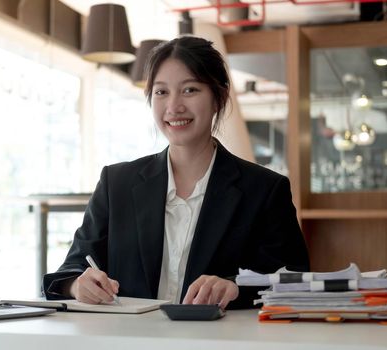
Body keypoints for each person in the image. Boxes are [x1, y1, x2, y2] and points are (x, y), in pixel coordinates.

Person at [42, 36, 309, 310]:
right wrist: (76, 285)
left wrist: (234, 287)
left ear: (219, 97)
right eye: (161, 92)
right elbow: (73, 267)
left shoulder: (264, 190)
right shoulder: (116, 183)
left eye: (190, 90)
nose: (174, 106)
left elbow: (293, 280)